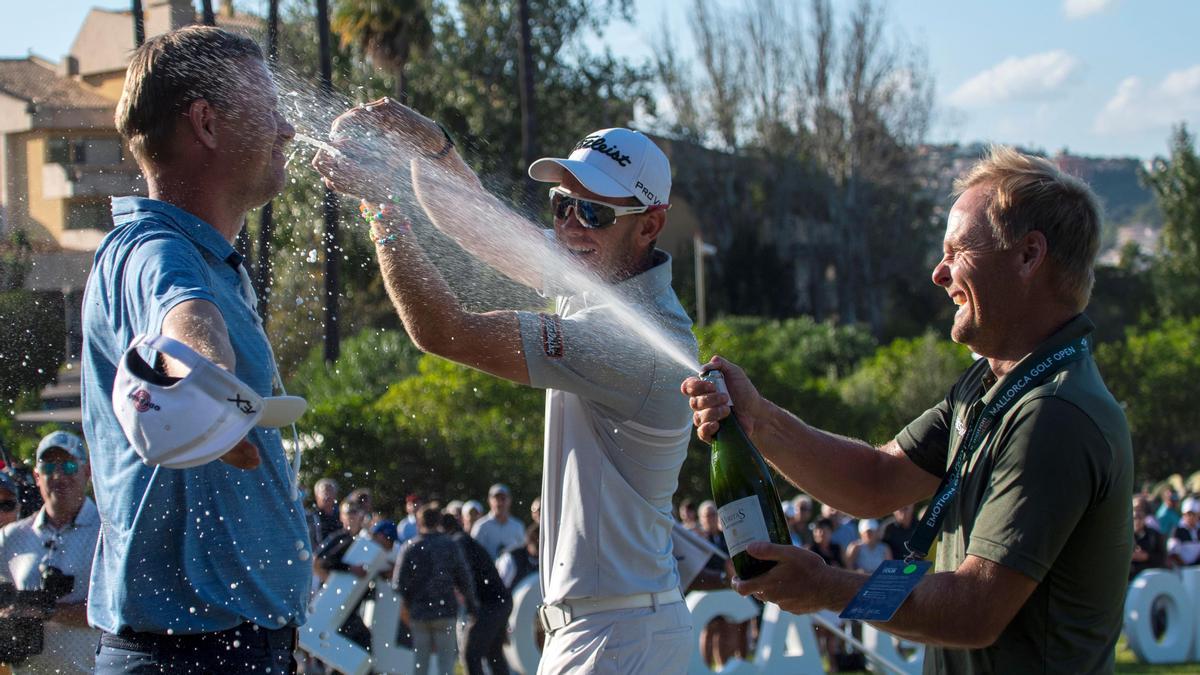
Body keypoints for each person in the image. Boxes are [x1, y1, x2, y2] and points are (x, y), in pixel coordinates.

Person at [684, 146, 1133, 674]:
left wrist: (826, 585)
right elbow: (876, 481)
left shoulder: (1054, 412)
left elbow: (973, 611)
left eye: (957, 250)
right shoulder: (992, 385)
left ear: (1029, 255)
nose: (938, 274)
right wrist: (758, 419)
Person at [314, 102, 698, 672]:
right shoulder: (595, 276)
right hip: (616, 625)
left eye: (592, 211)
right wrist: (431, 142)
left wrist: (380, 204)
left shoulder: (630, 338)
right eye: (562, 205)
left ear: (650, 224)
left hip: (616, 637)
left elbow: (444, 330)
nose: (569, 227)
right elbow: (470, 218)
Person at [81, 26, 309, 673]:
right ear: (206, 124)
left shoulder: (212, 257)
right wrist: (210, 379)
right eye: (270, 111)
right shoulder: (154, 248)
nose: (288, 129)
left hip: (231, 647)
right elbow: (184, 322)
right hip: (185, 656)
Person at [0, 431, 101, 673]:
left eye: (68, 466)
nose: (58, 476)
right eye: (48, 468)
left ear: (87, 472)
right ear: (36, 476)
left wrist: (48, 610)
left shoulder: (108, 534)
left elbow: (114, 609)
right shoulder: (11, 537)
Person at [394, 505, 476, 675]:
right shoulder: (450, 545)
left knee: (420, 664)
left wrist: (409, 605)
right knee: (446, 664)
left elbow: (399, 584)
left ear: (419, 522)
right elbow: (464, 578)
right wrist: (471, 604)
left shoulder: (410, 547)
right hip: (445, 611)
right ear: (439, 521)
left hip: (419, 613)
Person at [442, 512, 512, 675]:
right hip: (499, 601)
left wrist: (472, 609)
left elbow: (464, 577)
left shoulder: (458, 542)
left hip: (490, 604)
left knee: (470, 655)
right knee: (494, 654)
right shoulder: (463, 539)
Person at [470, 483, 525, 559]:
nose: (500, 503)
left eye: (503, 498)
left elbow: (522, 552)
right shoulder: (480, 526)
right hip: (487, 570)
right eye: (496, 498)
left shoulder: (518, 526)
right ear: (489, 501)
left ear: (510, 500)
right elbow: (473, 554)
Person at [496, 523, 540, 591]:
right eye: (536, 541)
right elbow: (499, 588)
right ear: (528, 541)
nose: (539, 545)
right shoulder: (511, 558)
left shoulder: (548, 560)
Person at [1131, 498, 1166, 578]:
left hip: (1150, 578)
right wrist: (1131, 556)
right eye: (1134, 518)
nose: (1137, 521)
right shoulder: (1123, 537)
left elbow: (1162, 557)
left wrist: (1147, 556)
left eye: (1140, 517)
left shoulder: (1153, 535)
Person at [1167, 497, 1200, 567]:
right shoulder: (1177, 531)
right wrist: (1186, 566)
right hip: (1183, 570)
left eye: (1194, 514)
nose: (1191, 517)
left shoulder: (1198, 530)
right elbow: (1173, 553)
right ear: (1184, 515)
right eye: (1189, 514)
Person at [309, 478, 341, 549]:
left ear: (335, 495)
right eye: (324, 492)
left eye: (330, 491)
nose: (327, 496)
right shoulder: (309, 518)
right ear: (316, 496)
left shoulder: (342, 517)